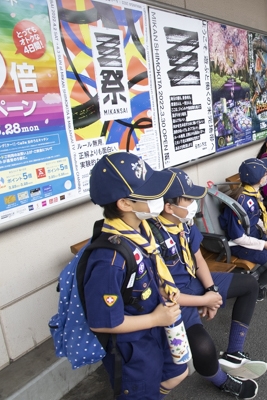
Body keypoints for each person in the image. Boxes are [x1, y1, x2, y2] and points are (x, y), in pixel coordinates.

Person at [153, 168, 263, 399]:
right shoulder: (152, 236)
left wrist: (212, 290)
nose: (194, 203)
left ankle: (234, 352)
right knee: (203, 347)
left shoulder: (184, 222)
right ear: (168, 207)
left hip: (194, 284)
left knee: (249, 285)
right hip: (172, 301)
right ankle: (222, 382)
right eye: (188, 200)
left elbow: (199, 258)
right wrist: (205, 300)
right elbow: (164, 293)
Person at [85, 151, 187, 399]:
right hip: (133, 350)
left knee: (174, 372)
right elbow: (102, 321)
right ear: (125, 203)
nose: (159, 197)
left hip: (156, 331)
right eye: (150, 192)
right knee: (142, 391)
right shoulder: (109, 259)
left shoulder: (141, 232)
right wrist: (155, 319)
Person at [220, 157, 267, 282]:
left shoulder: (252, 193)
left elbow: (254, 217)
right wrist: (264, 244)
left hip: (254, 235)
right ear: (260, 180)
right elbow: (237, 237)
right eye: (266, 173)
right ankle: (257, 288)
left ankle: (254, 278)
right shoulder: (241, 203)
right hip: (241, 245)